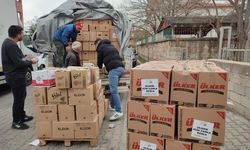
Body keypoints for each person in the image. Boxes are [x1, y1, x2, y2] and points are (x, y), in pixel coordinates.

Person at [1, 25, 38, 130]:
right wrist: (31, 61)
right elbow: (18, 63)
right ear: (17, 34)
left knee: (22, 96)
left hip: (16, 76)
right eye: (22, 33)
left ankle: (22, 116)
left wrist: (25, 57)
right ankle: (16, 121)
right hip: (15, 76)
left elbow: (17, 59)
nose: (22, 35)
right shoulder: (10, 45)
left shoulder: (9, 43)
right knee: (18, 99)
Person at [95, 38, 125, 121]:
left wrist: (96, 68)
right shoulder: (112, 46)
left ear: (97, 43)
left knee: (114, 91)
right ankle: (112, 105)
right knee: (113, 89)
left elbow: (99, 64)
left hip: (113, 70)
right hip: (121, 68)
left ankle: (118, 111)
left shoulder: (100, 48)